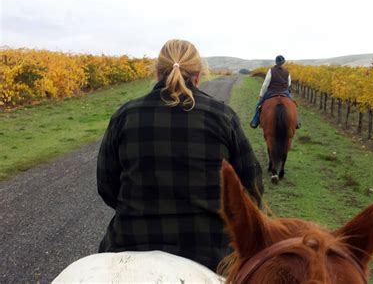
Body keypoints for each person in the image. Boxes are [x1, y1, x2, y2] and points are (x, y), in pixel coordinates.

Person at [97, 39, 263, 272]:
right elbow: (252, 188)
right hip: (211, 252)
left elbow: (107, 186)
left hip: (129, 241)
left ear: (157, 72)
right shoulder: (222, 116)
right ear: (198, 75)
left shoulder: (125, 115)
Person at [250, 55, 301, 129]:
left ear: (276, 62)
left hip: (271, 91)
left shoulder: (271, 70)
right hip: (284, 92)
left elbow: (265, 84)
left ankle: (255, 122)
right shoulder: (287, 72)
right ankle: (297, 122)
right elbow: (289, 83)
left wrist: (261, 95)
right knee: (293, 104)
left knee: (259, 105)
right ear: (283, 63)